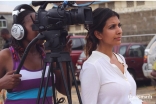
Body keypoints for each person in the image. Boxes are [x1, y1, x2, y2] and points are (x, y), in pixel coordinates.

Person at [0, 5, 72, 104]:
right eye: (35, 25)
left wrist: (63, 57)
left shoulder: (48, 55)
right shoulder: (6, 55)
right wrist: (1, 84)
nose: (41, 28)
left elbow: (65, 90)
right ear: (19, 29)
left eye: (42, 24)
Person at [80, 8, 147, 104]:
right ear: (98, 34)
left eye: (119, 25)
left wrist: (139, 102)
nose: (119, 30)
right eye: (112, 27)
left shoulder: (120, 58)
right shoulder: (92, 66)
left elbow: (126, 97)